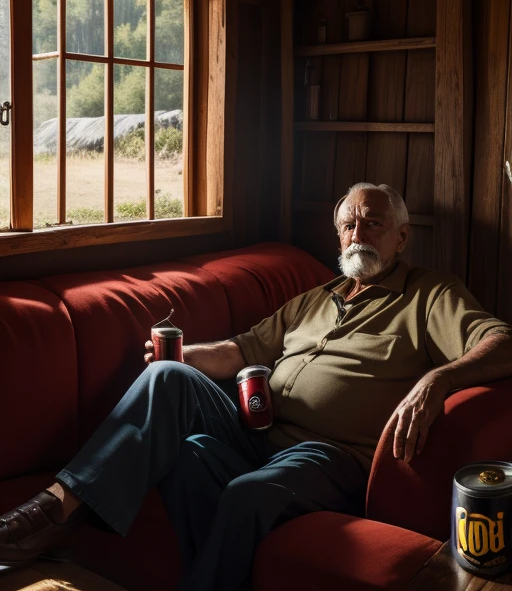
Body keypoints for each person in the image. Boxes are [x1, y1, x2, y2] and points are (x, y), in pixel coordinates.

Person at [1, 182, 511, 591]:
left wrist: (438, 378)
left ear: (401, 237)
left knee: (246, 495)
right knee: (168, 380)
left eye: (374, 223)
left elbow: (502, 341)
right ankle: (57, 508)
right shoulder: (315, 297)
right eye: (349, 224)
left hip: (330, 455)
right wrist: (177, 353)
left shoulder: (429, 293)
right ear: (337, 236)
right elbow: (244, 350)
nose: (359, 233)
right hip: (258, 432)